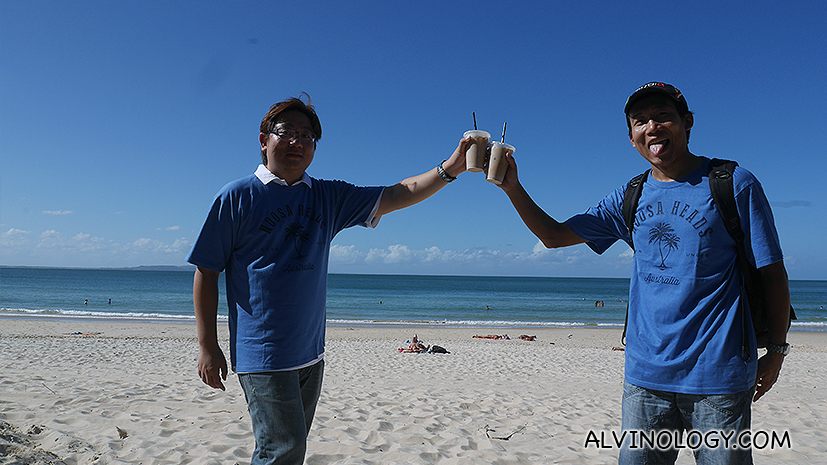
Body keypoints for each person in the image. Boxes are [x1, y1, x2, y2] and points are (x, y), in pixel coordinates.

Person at [491, 82, 791, 464]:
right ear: (632, 138)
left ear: (687, 123)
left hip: (719, 379)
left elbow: (772, 273)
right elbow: (553, 236)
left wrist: (777, 352)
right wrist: (512, 187)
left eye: (663, 116)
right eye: (640, 121)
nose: (652, 127)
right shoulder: (629, 197)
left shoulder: (733, 183)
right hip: (645, 378)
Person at [188, 95, 471, 465]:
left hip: (311, 352)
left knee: (288, 448)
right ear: (263, 140)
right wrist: (207, 346)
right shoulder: (236, 197)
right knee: (281, 452)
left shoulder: (327, 196)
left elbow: (399, 193)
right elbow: (206, 272)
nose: (297, 142)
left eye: (307, 136)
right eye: (286, 132)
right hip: (263, 354)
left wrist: (451, 168)